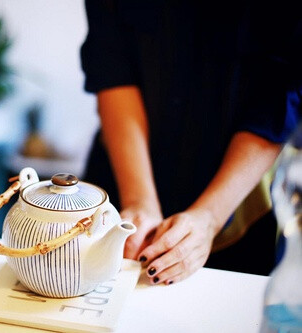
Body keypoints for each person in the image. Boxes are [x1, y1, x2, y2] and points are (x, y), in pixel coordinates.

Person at [80, 0, 302, 285]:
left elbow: (283, 92)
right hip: (121, 183)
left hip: (238, 200)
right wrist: (139, 200)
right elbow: (111, 66)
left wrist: (210, 217)